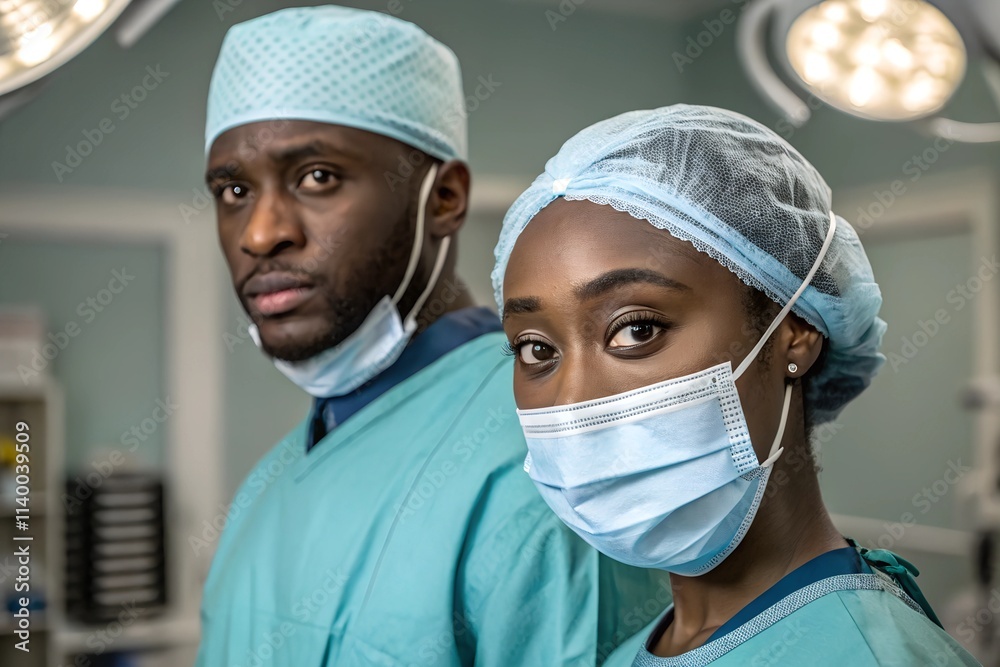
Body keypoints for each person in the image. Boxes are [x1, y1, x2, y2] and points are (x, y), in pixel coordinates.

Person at [195, 6, 668, 666]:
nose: (260, 233)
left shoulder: (546, 467)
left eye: (317, 177)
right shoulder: (268, 486)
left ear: (443, 197)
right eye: (233, 190)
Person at [491, 104, 981, 666]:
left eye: (637, 329)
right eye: (536, 349)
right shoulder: (648, 647)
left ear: (795, 332)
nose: (574, 399)